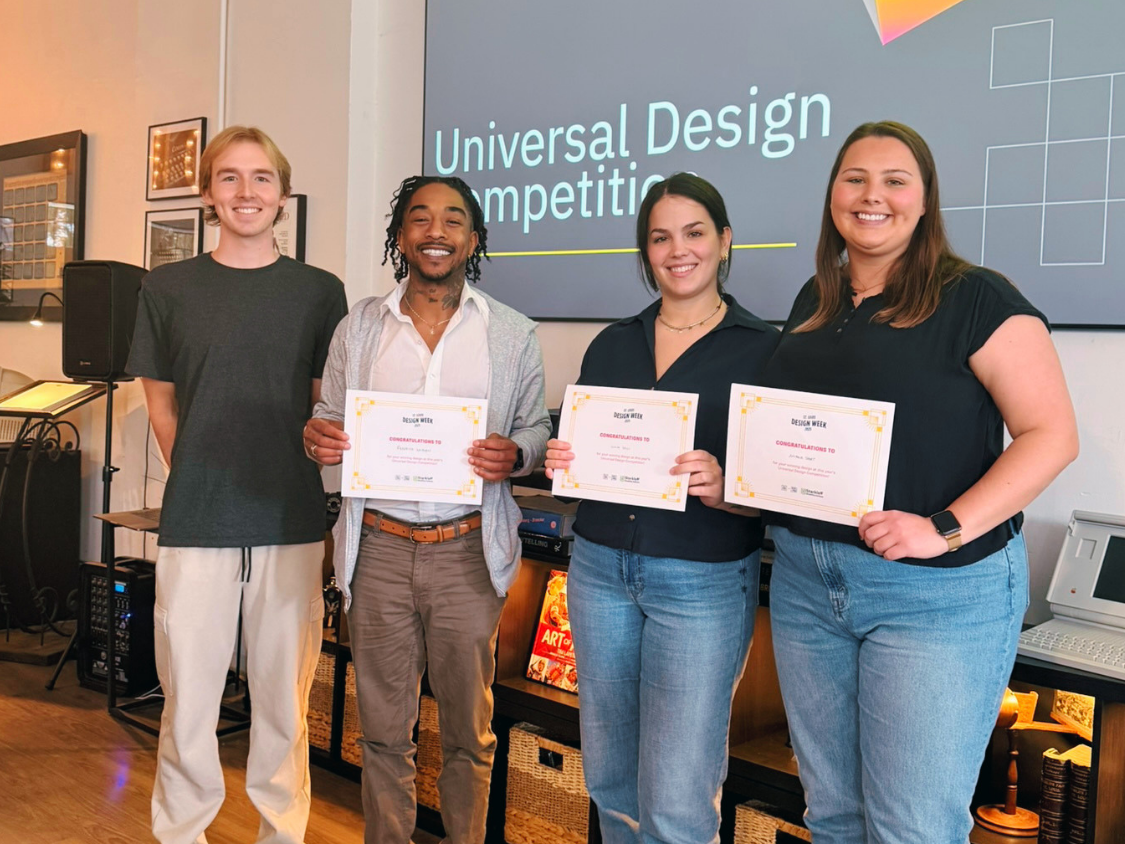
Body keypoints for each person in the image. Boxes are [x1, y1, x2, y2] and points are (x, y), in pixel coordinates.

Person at [760, 121, 1079, 843]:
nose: (872, 196)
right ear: (831, 195)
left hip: (937, 598)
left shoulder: (976, 299)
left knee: (911, 829)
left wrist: (941, 527)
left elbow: (1051, 436)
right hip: (809, 587)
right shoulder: (817, 297)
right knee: (833, 816)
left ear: (925, 199)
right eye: (854, 179)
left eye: (894, 180)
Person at [302, 175, 550, 844]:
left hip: (466, 553)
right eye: (419, 218)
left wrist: (517, 455)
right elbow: (328, 416)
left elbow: (534, 430)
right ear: (401, 236)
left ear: (473, 239)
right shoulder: (359, 326)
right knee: (383, 733)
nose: (434, 230)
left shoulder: (511, 333)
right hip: (378, 549)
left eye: (451, 219)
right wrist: (315, 433)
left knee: (469, 734)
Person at [127, 125, 348, 844]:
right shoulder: (167, 288)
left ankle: (280, 834)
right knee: (187, 700)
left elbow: (324, 405)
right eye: (229, 178)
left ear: (282, 196)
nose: (245, 192)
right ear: (207, 194)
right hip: (197, 519)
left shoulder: (320, 292)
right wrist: (195, 467)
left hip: (289, 518)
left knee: (284, 704)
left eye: (260, 178)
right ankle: (179, 833)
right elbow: (160, 402)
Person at [544, 173, 779, 844]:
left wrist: (726, 481)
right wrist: (567, 465)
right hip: (597, 572)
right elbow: (581, 467)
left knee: (677, 796)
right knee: (611, 780)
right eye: (659, 237)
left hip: (700, 583)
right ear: (645, 253)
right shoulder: (612, 343)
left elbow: (778, 485)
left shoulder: (764, 349)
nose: (678, 250)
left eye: (694, 232)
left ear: (724, 240)